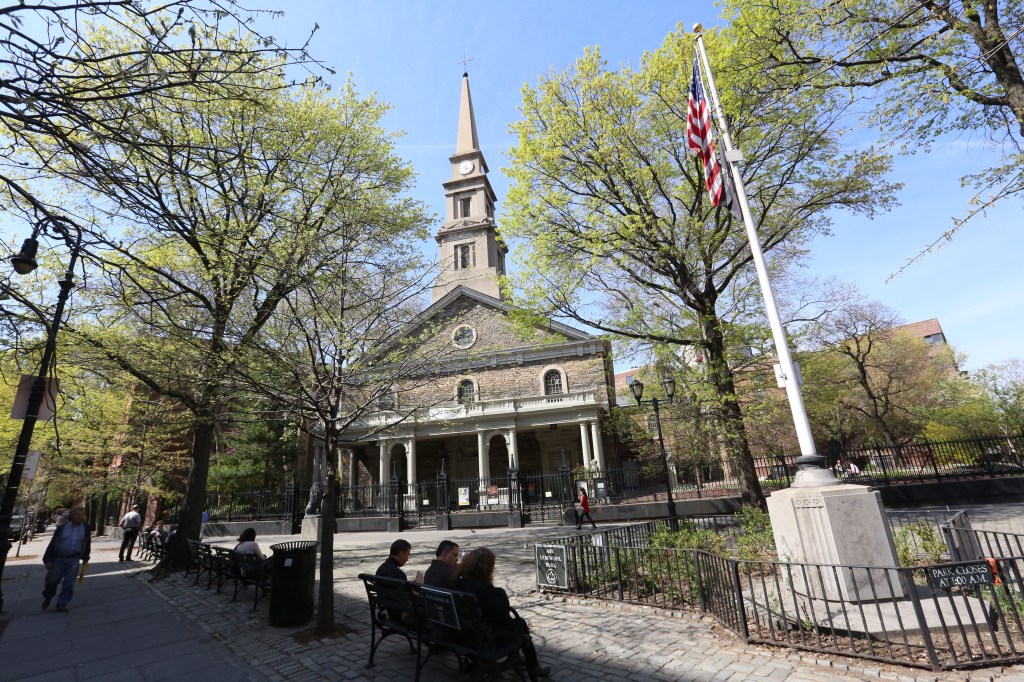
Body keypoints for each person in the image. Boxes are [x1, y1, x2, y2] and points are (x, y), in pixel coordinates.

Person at [454, 548, 550, 680]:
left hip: (465, 634)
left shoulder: (461, 582)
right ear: (487, 568)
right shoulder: (483, 589)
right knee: (519, 623)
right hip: (485, 638)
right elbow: (502, 612)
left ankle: (519, 660)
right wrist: (500, 592)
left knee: (514, 624)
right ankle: (533, 667)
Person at [41, 507, 91, 612]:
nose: (80, 517)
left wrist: (86, 557)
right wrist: (48, 559)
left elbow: (87, 543)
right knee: (51, 581)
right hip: (58, 558)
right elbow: (53, 544)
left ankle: (62, 604)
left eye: (82, 515)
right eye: (78, 515)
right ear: (72, 516)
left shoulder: (85, 528)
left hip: (74, 559)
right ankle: (48, 596)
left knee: (69, 583)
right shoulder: (62, 528)